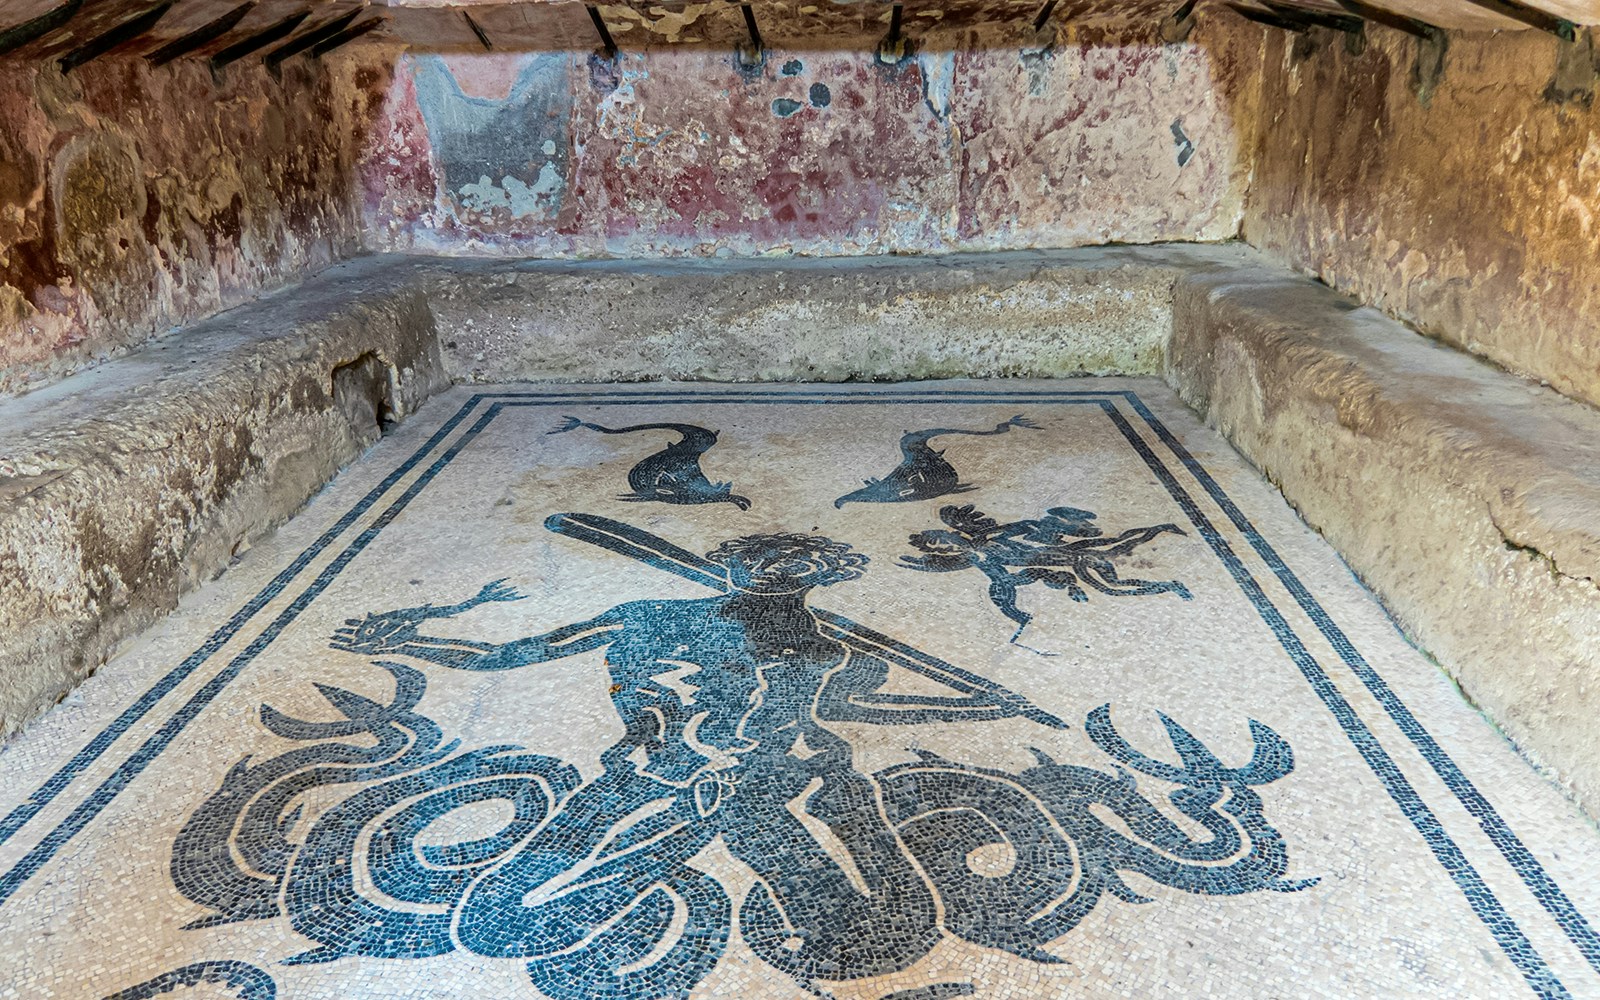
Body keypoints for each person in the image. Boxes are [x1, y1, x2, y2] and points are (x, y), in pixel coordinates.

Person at [330, 532, 1006, 988]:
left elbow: (842, 716)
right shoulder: (647, 614)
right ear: (736, 566)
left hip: (758, 786)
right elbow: (511, 654)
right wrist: (411, 641)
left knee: (867, 932)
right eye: (761, 558)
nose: (774, 569)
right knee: (497, 920)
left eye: (796, 562)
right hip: (640, 773)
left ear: (826, 575)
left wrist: (982, 707)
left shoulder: (826, 651)